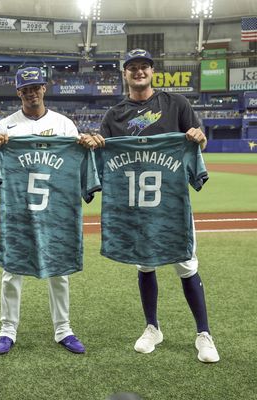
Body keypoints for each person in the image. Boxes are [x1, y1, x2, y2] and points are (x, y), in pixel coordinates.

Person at [85, 48, 219, 363]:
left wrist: (199, 137)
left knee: (186, 264)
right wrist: (94, 142)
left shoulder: (177, 104)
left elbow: (200, 145)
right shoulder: (114, 115)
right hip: (135, 206)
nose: (139, 71)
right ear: (125, 73)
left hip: (171, 205)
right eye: (132, 67)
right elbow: (101, 151)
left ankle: (203, 333)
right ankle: (152, 327)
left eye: (144, 66)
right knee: (144, 264)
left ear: (152, 71)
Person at [0, 67, 96, 355]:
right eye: (25, 88)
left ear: (44, 88)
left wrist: (83, 145)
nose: (31, 92)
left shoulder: (65, 125)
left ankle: (63, 329)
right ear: (18, 92)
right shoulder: (4, 127)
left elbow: (78, 164)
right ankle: (8, 330)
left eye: (36, 87)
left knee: (59, 272)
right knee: (11, 271)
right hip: (17, 210)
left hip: (56, 209)